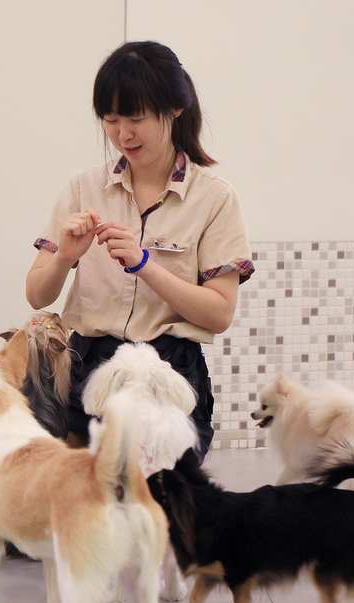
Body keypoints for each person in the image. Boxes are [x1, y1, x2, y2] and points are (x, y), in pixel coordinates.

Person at [26, 41, 255, 456]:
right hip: (86, 368)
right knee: (75, 493)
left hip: (167, 374)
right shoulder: (84, 186)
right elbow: (37, 294)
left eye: (136, 118)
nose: (122, 134)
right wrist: (64, 256)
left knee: (151, 496)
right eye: (110, 120)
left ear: (174, 109)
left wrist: (144, 264)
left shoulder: (215, 198)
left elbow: (219, 314)